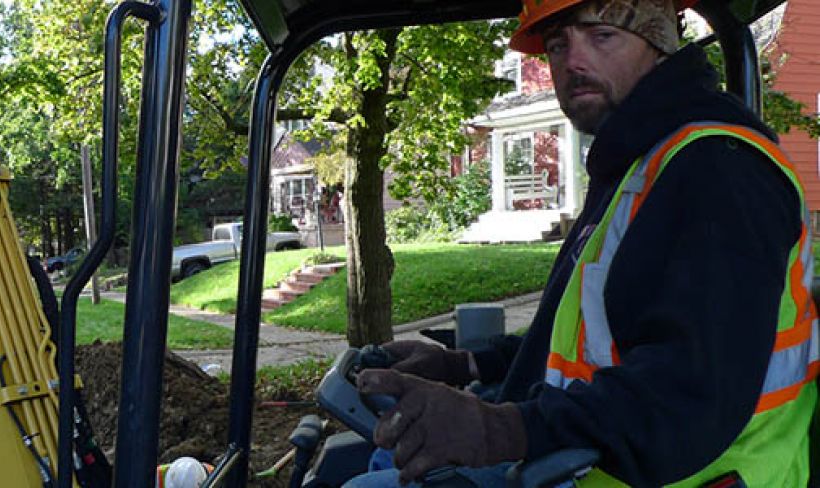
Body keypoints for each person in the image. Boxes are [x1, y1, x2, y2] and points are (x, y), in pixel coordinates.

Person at [348, 0, 819, 486]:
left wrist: (498, 428)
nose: (572, 62)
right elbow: (592, 341)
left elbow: (688, 396)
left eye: (602, 36)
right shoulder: (637, 165)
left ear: (658, 43)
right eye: (557, 44)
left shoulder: (716, 173)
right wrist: (465, 364)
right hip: (584, 461)